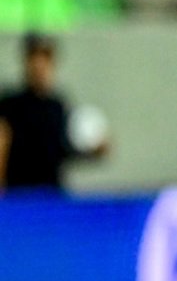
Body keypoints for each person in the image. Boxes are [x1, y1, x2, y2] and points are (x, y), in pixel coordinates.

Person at [0, 34, 107, 191]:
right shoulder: (9, 105)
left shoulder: (58, 106)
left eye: (45, 58)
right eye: (34, 58)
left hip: (52, 197)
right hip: (18, 197)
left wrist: (93, 151)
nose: (39, 65)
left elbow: (63, 149)